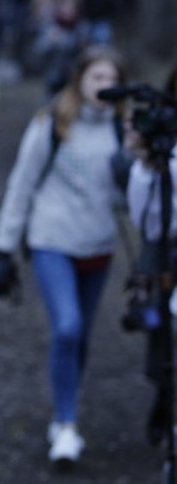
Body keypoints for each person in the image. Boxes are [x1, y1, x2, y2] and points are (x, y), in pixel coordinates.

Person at [0, 45, 128, 466]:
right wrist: (2, 247)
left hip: (98, 245)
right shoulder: (53, 124)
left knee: (79, 335)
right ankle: (66, 425)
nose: (106, 87)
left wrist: (132, 172)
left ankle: (65, 405)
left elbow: (130, 202)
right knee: (66, 328)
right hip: (52, 240)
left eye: (113, 79)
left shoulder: (124, 130)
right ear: (80, 80)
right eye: (98, 77)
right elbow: (22, 184)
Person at [123, 63, 177, 445]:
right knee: (163, 340)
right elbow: (150, 225)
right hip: (168, 257)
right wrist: (145, 164)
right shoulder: (165, 138)